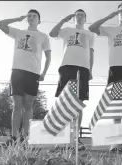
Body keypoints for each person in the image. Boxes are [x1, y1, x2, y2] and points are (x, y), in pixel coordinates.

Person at [89, 2, 122, 152]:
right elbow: (92, 28)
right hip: (115, 69)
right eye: (121, 10)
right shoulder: (111, 29)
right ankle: (116, 142)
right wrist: (110, 16)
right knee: (115, 106)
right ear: (118, 13)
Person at [0, 9, 51, 146]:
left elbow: (48, 56)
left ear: (39, 20)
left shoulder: (43, 36)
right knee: (17, 105)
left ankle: (25, 139)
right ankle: (14, 138)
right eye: (29, 16)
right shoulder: (18, 33)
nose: (31, 18)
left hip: (33, 73)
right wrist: (17, 18)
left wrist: (44, 73)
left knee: (28, 106)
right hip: (17, 71)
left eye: (34, 16)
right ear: (27, 19)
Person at [49, 9, 94, 150]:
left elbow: (91, 53)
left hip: (83, 68)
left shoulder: (89, 34)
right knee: (64, 102)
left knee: (78, 103)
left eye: (82, 15)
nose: (79, 16)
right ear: (74, 18)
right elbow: (52, 34)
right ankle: (62, 137)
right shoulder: (67, 30)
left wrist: (90, 70)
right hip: (66, 66)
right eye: (77, 15)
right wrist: (63, 21)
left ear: (85, 19)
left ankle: (75, 137)